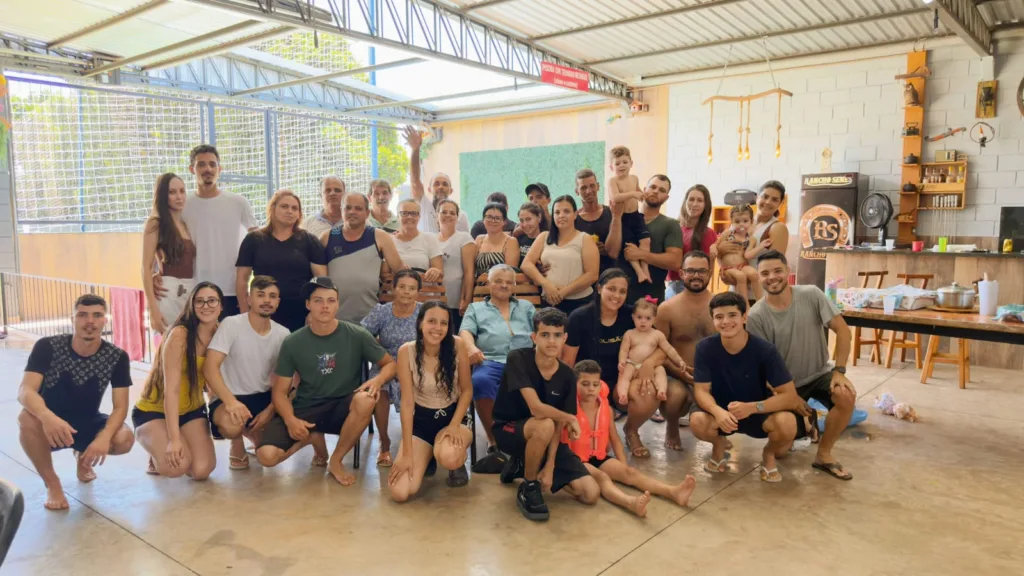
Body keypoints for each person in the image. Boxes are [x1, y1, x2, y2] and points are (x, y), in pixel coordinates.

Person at [256, 277, 396, 485]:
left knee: (366, 400)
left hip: (343, 408)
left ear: (338, 304)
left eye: (331, 301)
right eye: (318, 300)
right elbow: (279, 392)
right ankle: (311, 437)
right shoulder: (293, 342)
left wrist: (377, 381)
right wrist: (291, 420)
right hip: (307, 406)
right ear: (308, 304)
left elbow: (390, 364)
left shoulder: (356, 334)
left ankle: (336, 461)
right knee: (267, 456)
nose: (325, 306)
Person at [17, 294, 135, 511]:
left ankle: (84, 457)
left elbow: (120, 407)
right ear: (73, 319)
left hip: (87, 419)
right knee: (25, 418)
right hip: (49, 423)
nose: (90, 321)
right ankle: (52, 483)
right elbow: (25, 391)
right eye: (82, 315)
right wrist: (47, 417)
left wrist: (103, 437)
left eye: (97, 315)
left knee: (124, 438)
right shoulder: (48, 346)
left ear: (105, 320)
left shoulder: (117, 356)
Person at [747, 250, 856, 481]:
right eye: (765, 273)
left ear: (788, 272)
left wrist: (840, 371)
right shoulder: (756, 315)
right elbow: (761, 367)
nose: (772, 277)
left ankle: (824, 455)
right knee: (781, 452)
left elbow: (843, 331)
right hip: (783, 385)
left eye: (777, 271)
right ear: (758, 277)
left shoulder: (812, 295)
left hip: (819, 374)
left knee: (845, 395)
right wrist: (789, 397)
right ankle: (807, 424)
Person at [492, 308, 600, 522]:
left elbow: (558, 426)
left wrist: (550, 466)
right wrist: (570, 418)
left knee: (590, 494)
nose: (552, 341)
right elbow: (536, 409)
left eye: (557, 335)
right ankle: (529, 486)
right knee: (544, 424)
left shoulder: (568, 375)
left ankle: (523, 464)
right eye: (545, 334)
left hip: (546, 435)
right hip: (508, 430)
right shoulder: (517, 358)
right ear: (534, 337)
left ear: (565, 338)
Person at [690, 292, 808, 483]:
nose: (726, 322)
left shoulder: (765, 350)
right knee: (697, 421)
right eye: (719, 317)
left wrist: (753, 407)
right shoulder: (705, 348)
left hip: (757, 410)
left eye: (732, 315)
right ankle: (718, 445)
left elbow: (790, 396)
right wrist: (717, 411)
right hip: (722, 412)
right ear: (713, 320)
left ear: (744, 317)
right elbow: (701, 390)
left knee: (787, 425)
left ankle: (768, 454)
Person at [563, 269, 674, 459]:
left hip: (624, 380)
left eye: (622, 291)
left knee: (649, 389)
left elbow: (661, 347)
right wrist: (570, 399)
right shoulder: (580, 317)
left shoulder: (633, 315)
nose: (617, 296)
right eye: (611, 289)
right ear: (599, 288)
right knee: (600, 450)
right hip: (590, 386)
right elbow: (568, 362)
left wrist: (649, 363)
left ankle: (631, 430)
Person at [568, 360, 697, 515]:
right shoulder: (568, 408)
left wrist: (623, 467)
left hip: (597, 457)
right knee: (602, 478)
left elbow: (615, 439)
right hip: (576, 459)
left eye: (595, 384)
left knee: (631, 473)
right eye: (585, 384)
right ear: (574, 384)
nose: (591, 389)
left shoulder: (604, 408)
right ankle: (630, 502)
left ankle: (673, 492)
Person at [133, 282, 221, 480]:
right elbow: (171, 390)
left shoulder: (220, 333)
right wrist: (174, 440)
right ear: (191, 305)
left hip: (191, 409)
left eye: (212, 300)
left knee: (201, 470)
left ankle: (179, 437)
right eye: (200, 301)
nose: (206, 306)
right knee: (176, 467)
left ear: (221, 305)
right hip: (155, 410)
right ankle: (156, 449)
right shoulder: (180, 335)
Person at [388, 302, 475, 500]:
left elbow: (467, 390)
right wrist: (407, 454)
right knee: (400, 492)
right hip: (422, 419)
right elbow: (407, 403)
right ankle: (427, 455)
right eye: (432, 321)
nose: (437, 328)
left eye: (443, 323)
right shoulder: (406, 351)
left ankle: (453, 460)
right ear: (421, 323)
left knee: (449, 456)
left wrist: (454, 425)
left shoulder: (458, 345)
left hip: (453, 416)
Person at [203, 275, 290, 470]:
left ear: (278, 302)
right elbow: (210, 367)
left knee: (270, 450)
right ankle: (237, 440)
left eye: (272, 296)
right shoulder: (231, 324)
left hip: (263, 397)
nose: (267, 300)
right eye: (261, 295)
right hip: (229, 397)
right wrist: (231, 402)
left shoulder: (283, 334)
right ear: (249, 299)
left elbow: (286, 380)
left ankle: (252, 432)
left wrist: (271, 410)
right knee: (232, 426)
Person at [459, 264, 536, 470]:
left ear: (514, 285)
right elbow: (465, 332)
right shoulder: (475, 308)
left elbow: (540, 329)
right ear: (488, 283)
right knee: (479, 381)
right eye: (498, 281)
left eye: (509, 282)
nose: (504, 285)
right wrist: (471, 347)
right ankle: (495, 441)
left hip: (525, 361)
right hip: (490, 359)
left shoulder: (526, 307)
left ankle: (529, 437)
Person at [176, 144, 258, 318]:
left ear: (219, 169)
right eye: (201, 164)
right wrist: (157, 270)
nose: (208, 169)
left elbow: (257, 239)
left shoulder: (238, 202)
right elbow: (166, 241)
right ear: (192, 169)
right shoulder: (183, 205)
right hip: (196, 289)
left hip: (232, 290)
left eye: (212, 164)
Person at [236, 190, 327, 331]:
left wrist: (314, 312)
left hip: (300, 314)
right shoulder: (254, 240)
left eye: (294, 208)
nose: (289, 211)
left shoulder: (310, 241)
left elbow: (322, 281)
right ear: (273, 209)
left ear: (299, 214)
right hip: (264, 311)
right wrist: (244, 313)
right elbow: (242, 280)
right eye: (284, 206)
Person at [361, 269, 423, 467]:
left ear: (418, 292)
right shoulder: (382, 311)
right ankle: (384, 442)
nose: (406, 292)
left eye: (412, 288)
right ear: (394, 288)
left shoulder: (424, 312)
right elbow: (362, 335)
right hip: (386, 361)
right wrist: (378, 350)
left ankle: (414, 440)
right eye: (402, 287)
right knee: (380, 389)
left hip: (416, 361)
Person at [656, 250, 717, 444]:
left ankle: (719, 430)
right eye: (691, 271)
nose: (696, 275)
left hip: (712, 377)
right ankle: (672, 426)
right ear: (681, 273)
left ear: (710, 273)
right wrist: (680, 372)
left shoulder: (719, 307)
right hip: (678, 375)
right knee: (674, 396)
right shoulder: (667, 309)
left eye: (702, 271)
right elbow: (659, 351)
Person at [321, 192, 405, 324]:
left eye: (358, 208)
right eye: (348, 208)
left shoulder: (380, 236)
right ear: (342, 211)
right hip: (334, 318)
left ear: (367, 213)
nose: (352, 212)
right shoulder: (327, 237)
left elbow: (401, 271)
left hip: (370, 318)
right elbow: (318, 278)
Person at [521, 195, 598, 316]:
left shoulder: (585, 239)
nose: (561, 215)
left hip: (580, 304)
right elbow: (526, 264)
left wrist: (563, 292)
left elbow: (592, 275)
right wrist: (546, 285)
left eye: (566, 211)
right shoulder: (544, 237)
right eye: (557, 212)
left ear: (575, 214)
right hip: (549, 301)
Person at [142, 172, 195, 334]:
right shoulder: (155, 223)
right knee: (171, 343)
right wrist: (153, 310)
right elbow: (146, 267)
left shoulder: (186, 224)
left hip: (190, 291)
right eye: (172, 192)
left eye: (182, 191)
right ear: (163, 196)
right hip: (168, 292)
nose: (179, 197)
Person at [621, 174, 683, 304]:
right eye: (653, 187)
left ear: (666, 198)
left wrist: (640, 254)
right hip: (620, 294)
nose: (655, 191)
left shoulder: (670, 224)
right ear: (644, 189)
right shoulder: (624, 218)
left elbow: (675, 262)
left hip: (651, 295)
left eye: (662, 190)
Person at [616, 297, 686, 405]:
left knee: (661, 371)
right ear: (633, 317)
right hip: (632, 363)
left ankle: (661, 390)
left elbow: (669, 349)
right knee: (623, 375)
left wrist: (679, 361)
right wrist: (622, 362)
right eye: (639, 317)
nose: (643, 321)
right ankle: (622, 394)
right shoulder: (629, 334)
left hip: (653, 366)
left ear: (654, 319)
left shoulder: (657, 335)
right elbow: (624, 350)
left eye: (648, 318)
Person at [405, 126, 469, 234]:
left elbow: (465, 241)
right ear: (429, 189)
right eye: (436, 184)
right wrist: (415, 150)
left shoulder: (461, 215)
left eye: (445, 184)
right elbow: (415, 182)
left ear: (451, 190)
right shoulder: (423, 206)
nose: (441, 187)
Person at [606, 146, 652, 283]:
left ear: (631, 163)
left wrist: (643, 195)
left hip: (636, 215)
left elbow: (638, 191)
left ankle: (645, 268)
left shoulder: (634, 178)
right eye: (617, 163)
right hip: (623, 218)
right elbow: (615, 197)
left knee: (646, 240)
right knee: (630, 246)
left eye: (625, 162)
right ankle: (639, 272)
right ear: (611, 167)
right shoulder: (613, 181)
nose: (621, 165)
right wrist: (632, 194)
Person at [665, 184, 717, 299]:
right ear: (685, 201)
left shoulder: (708, 233)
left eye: (700, 200)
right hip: (671, 286)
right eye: (691, 199)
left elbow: (708, 270)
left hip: (692, 287)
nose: (694, 204)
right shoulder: (674, 228)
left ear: (706, 205)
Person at [712, 204, 765, 302]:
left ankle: (761, 302)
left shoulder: (750, 238)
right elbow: (716, 245)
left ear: (751, 222)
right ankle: (745, 305)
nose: (741, 224)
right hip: (728, 267)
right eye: (737, 222)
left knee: (754, 274)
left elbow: (748, 255)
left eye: (745, 221)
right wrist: (716, 249)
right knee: (741, 277)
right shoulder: (728, 234)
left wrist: (760, 246)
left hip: (743, 265)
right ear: (732, 222)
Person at [574, 168, 624, 273]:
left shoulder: (612, 213)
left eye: (592, 186)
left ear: (598, 186)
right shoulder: (573, 219)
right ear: (577, 191)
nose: (588, 191)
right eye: (583, 188)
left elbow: (615, 252)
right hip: (583, 276)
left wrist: (606, 249)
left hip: (611, 274)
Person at [437, 199, 476, 331]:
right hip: (434, 299)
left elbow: (469, 271)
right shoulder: (431, 239)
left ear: (457, 217)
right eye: (444, 212)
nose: (448, 215)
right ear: (437, 215)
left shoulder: (464, 238)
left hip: (455, 301)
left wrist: (467, 299)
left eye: (452, 213)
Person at [392, 198, 444, 282]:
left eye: (414, 213)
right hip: (397, 289)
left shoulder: (430, 238)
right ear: (398, 216)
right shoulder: (390, 240)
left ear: (419, 217)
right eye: (404, 213)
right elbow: (384, 273)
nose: (409, 217)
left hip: (425, 288)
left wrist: (435, 271)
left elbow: (440, 272)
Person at [473, 202, 520, 277]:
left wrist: (484, 279)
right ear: (483, 219)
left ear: (504, 222)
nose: (493, 221)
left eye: (497, 218)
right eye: (489, 217)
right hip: (478, 283)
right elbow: (471, 268)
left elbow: (510, 274)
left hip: (500, 283)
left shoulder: (511, 241)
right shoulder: (479, 239)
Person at [752, 180, 790, 254]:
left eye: (774, 200)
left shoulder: (778, 228)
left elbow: (775, 261)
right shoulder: (742, 220)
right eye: (765, 197)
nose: (768, 202)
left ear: (780, 204)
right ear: (757, 198)